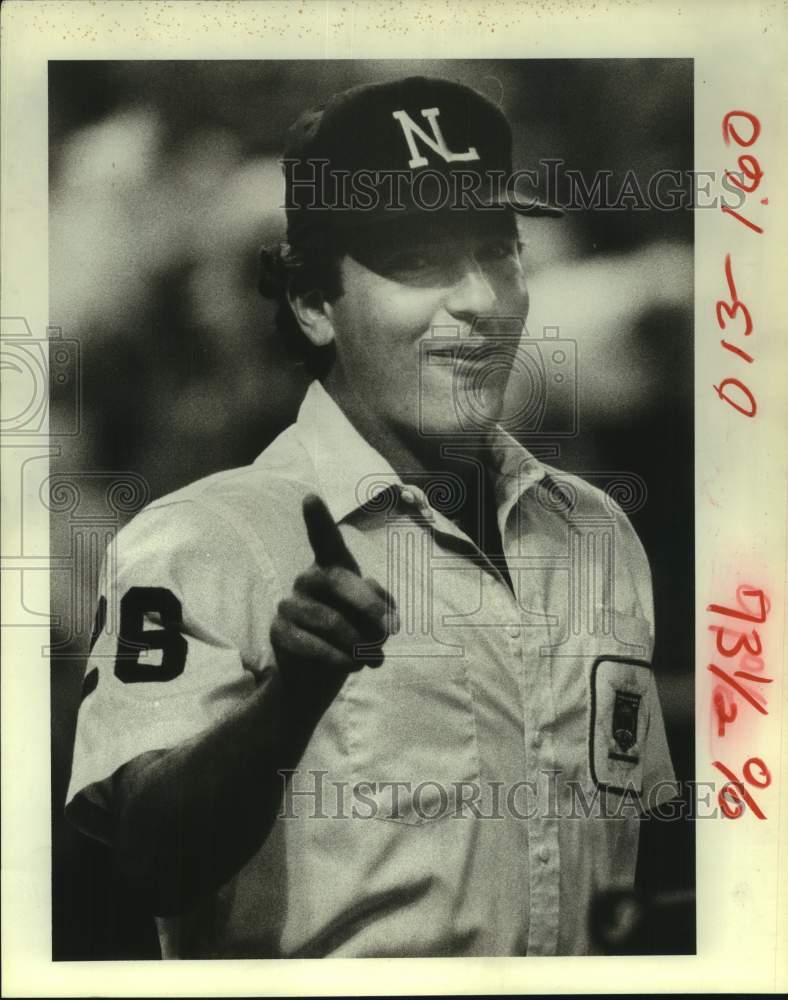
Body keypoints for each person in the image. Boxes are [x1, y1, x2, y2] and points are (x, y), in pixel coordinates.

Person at [66, 75, 677, 958]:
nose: (478, 298)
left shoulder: (597, 531)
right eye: (419, 261)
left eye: (498, 251)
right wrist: (289, 701)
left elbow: (633, 858)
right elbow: (147, 860)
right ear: (313, 303)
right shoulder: (198, 538)